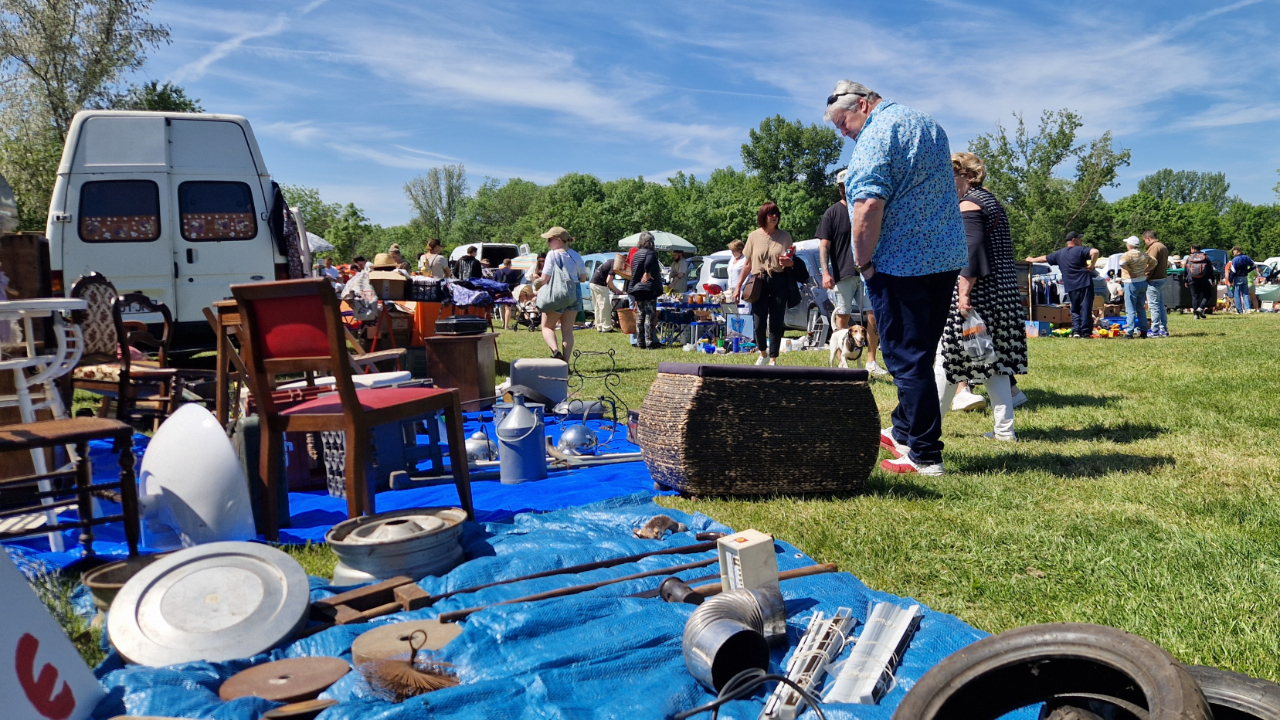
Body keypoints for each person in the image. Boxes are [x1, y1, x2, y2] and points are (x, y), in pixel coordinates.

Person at [824, 80, 968, 476]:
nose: (844, 132)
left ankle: (924, 454)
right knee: (920, 349)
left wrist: (864, 262)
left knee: (907, 357)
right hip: (943, 256)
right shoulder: (928, 124)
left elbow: (868, 203)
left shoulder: (875, 135)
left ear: (863, 105)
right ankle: (903, 429)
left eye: (843, 122)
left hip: (901, 262)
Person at [935, 152, 1028, 441]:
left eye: (951, 175)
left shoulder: (970, 205)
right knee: (994, 363)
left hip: (977, 298)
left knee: (947, 360)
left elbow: (971, 252)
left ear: (968, 176)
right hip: (1002, 297)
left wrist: (963, 295)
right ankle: (1004, 431)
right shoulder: (992, 202)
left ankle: (918, 430)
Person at [817, 169, 887, 376]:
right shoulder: (832, 213)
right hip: (843, 272)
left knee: (872, 317)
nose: (844, 189)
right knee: (843, 318)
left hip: (868, 273)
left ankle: (871, 361)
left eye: (847, 185)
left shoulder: (867, 209)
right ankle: (842, 361)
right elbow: (823, 246)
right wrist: (825, 273)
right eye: (841, 186)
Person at [732, 202, 795, 365]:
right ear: (763, 216)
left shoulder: (785, 236)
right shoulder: (754, 236)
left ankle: (773, 358)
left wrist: (789, 262)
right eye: (770, 213)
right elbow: (747, 263)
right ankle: (763, 353)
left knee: (776, 321)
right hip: (758, 282)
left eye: (777, 213)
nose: (775, 216)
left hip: (778, 280)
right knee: (759, 323)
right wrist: (738, 286)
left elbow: (792, 260)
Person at [1026, 232, 1100, 338]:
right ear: (1074, 240)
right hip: (1084, 283)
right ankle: (1085, 332)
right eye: (1080, 239)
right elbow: (1095, 251)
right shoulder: (1080, 250)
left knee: (1074, 309)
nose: (1081, 241)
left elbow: (1045, 258)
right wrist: (1092, 265)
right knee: (1085, 307)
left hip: (1070, 285)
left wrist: (1032, 259)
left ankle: (1076, 332)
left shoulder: (1059, 253)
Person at [534, 227, 587, 360]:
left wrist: (536, 284)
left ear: (558, 240)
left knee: (546, 326)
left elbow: (545, 278)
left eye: (549, 239)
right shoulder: (576, 255)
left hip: (558, 293)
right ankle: (566, 362)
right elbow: (583, 278)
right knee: (568, 330)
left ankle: (556, 352)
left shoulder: (553, 254)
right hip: (575, 293)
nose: (548, 242)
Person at [627, 232, 663, 349]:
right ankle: (649, 342)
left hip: (637, 288)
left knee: (640, 315)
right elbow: (647, 263)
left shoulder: (636, 254)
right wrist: (647, 273)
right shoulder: (650, 253)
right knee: (649, 315)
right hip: (649, 288)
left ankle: (640, 341)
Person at [1118, 236, 1151, 338]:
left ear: (1129, 245)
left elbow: (1122, 263)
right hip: (1142, 281)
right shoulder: (1143, 255)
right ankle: (1144, 331)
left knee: (1130, 308)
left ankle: (1129, 332)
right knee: (1140, 308)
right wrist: (1145, 271)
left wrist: (1130, 271)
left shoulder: (1127, 255)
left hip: (1131, 282)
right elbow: (1154, 262)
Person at [1143, 230, 1170, 337]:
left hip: (1154, 280)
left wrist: (1145, 276)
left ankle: (1154, 330)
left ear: (1148, 238)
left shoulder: (1154, 247)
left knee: (1154, 306)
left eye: (1144, 240)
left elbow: (1151, 263)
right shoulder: (1162, 246)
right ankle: (1163, 329)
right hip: (1162, 278)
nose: (1144, 242)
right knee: (1160, 305)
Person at [1185, 245, 1216, 319]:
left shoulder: (1189, 258)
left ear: (1193, 249)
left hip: (1192, 280)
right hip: (1204, 279)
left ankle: (1196, 314)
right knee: (1207, 295)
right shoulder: (1205, 257)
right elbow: (1210, 269)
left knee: (1195, 297)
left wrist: (1186, 280)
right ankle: (1201, 308)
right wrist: (1213, 279)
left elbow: (1186, 270)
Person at [589, 256, 617, 332]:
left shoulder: (610, 261)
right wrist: (617, 291)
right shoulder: (614, 264)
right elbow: (609, 281)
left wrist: (612, 289)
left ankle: (599, 326)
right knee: (605, 306)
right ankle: (606, 327)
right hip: (600, 285)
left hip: (593, 283)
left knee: (598, 306)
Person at [1226, 246, 1255, 314]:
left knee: (1237, 294)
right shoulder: (1246, 257)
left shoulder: (1235, 259)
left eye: (1233, 251)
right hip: (1245, 277)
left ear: (1237, 251)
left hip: (1237, 277)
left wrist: (1230, 280)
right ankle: (1248, 309)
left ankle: (1239, 310)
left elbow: (1233, 271)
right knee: (1245, 294)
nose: (1233, 253)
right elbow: (1253, 265)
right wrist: (1247, 271)